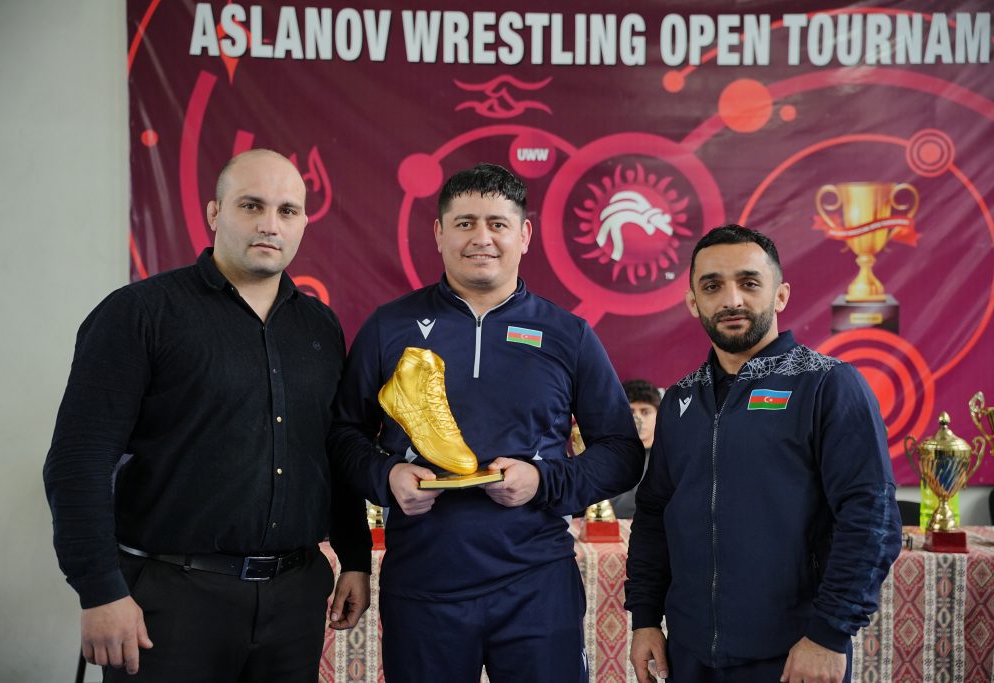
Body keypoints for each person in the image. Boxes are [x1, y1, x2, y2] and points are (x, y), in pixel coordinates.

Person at [43, 149, 371, 681]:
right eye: (251, 205)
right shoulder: (138, 314)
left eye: (287, 210)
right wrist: (99, 590)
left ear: (303, 223)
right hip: (169, 601)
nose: (270, 225)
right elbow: (78, 462)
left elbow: (330, 451)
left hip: (294, 600)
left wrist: (355, 556)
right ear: (215, 213)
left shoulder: (320, 326)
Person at [329, 163, 644, 683]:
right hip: (423, 585)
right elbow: (343, 435)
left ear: (524, 235)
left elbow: (621, 452)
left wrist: (542, 481)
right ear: (439, 233)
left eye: (498, 224)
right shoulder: (389, 327)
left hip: (537, 585)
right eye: (465, 223)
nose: (482, 238)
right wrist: (387, 476)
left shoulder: (568, 334)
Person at [625, 225, 901, 683]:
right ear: (693, 302)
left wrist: (828, 636)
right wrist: (646, 618)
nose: (731, 299)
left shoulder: (828, 385)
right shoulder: (678, 400)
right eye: (712, 286)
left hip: (794, 653)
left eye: (749, 283)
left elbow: (872, 518)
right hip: (688, 653)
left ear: (780, 295)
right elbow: (654, 517)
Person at [610, 379, 661, 518]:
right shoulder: (610, 455)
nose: (638, 418)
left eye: (645, 412)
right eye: (631, 411)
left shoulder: (670, 456)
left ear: (659, 415)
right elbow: (607, 504)